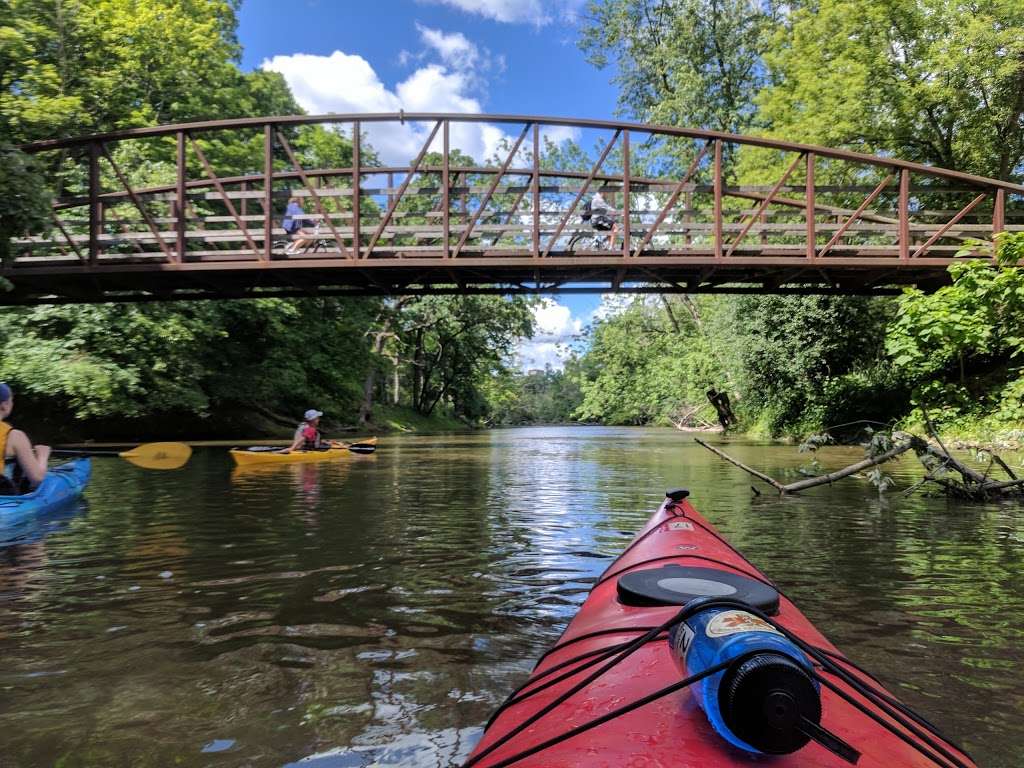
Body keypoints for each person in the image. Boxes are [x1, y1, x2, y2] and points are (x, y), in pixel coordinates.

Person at [0, 383, 50, 492]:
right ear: (4, 405)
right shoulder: (15, 436)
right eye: (11, 400)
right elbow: (37, 479)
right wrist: (42, 455)